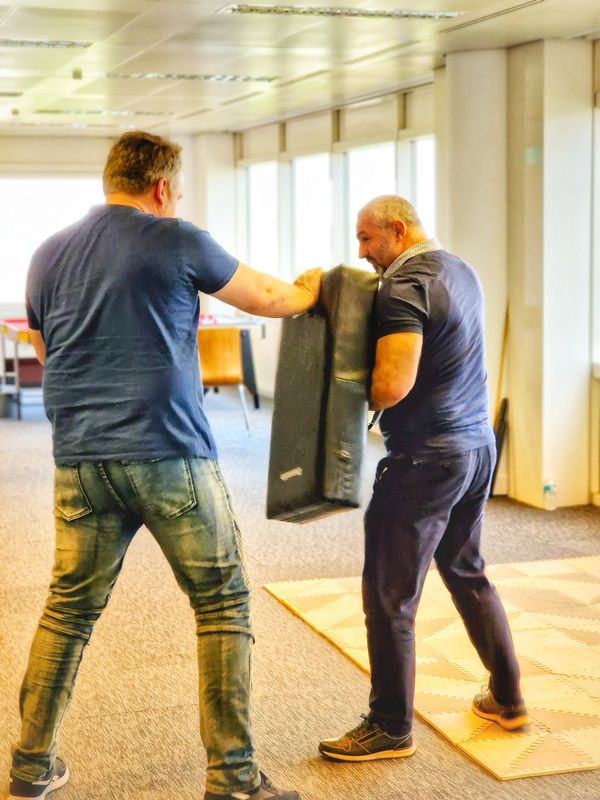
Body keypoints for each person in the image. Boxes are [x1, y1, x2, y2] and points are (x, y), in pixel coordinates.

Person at [8, 130, 322, 800]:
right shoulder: (176, 237)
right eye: (175, 190)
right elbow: (267, 297)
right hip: (169, 454)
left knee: (68, 610)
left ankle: (30, 767)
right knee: (221, 603)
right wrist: (311, 287)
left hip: (81, 461)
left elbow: (46, 345)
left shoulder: (47, 253)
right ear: (161, 187)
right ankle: (234, 777)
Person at [318, 195, 528, 763]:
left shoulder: (403, 284)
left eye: (367, 239)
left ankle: (389, 726)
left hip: (426, 460)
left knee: (389, 595)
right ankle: (507, 696)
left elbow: (391, 386)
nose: (362, 253)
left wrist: (327, 389)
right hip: (475, 449)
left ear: (398, 228)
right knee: (465, 570)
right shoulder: (460, 270)